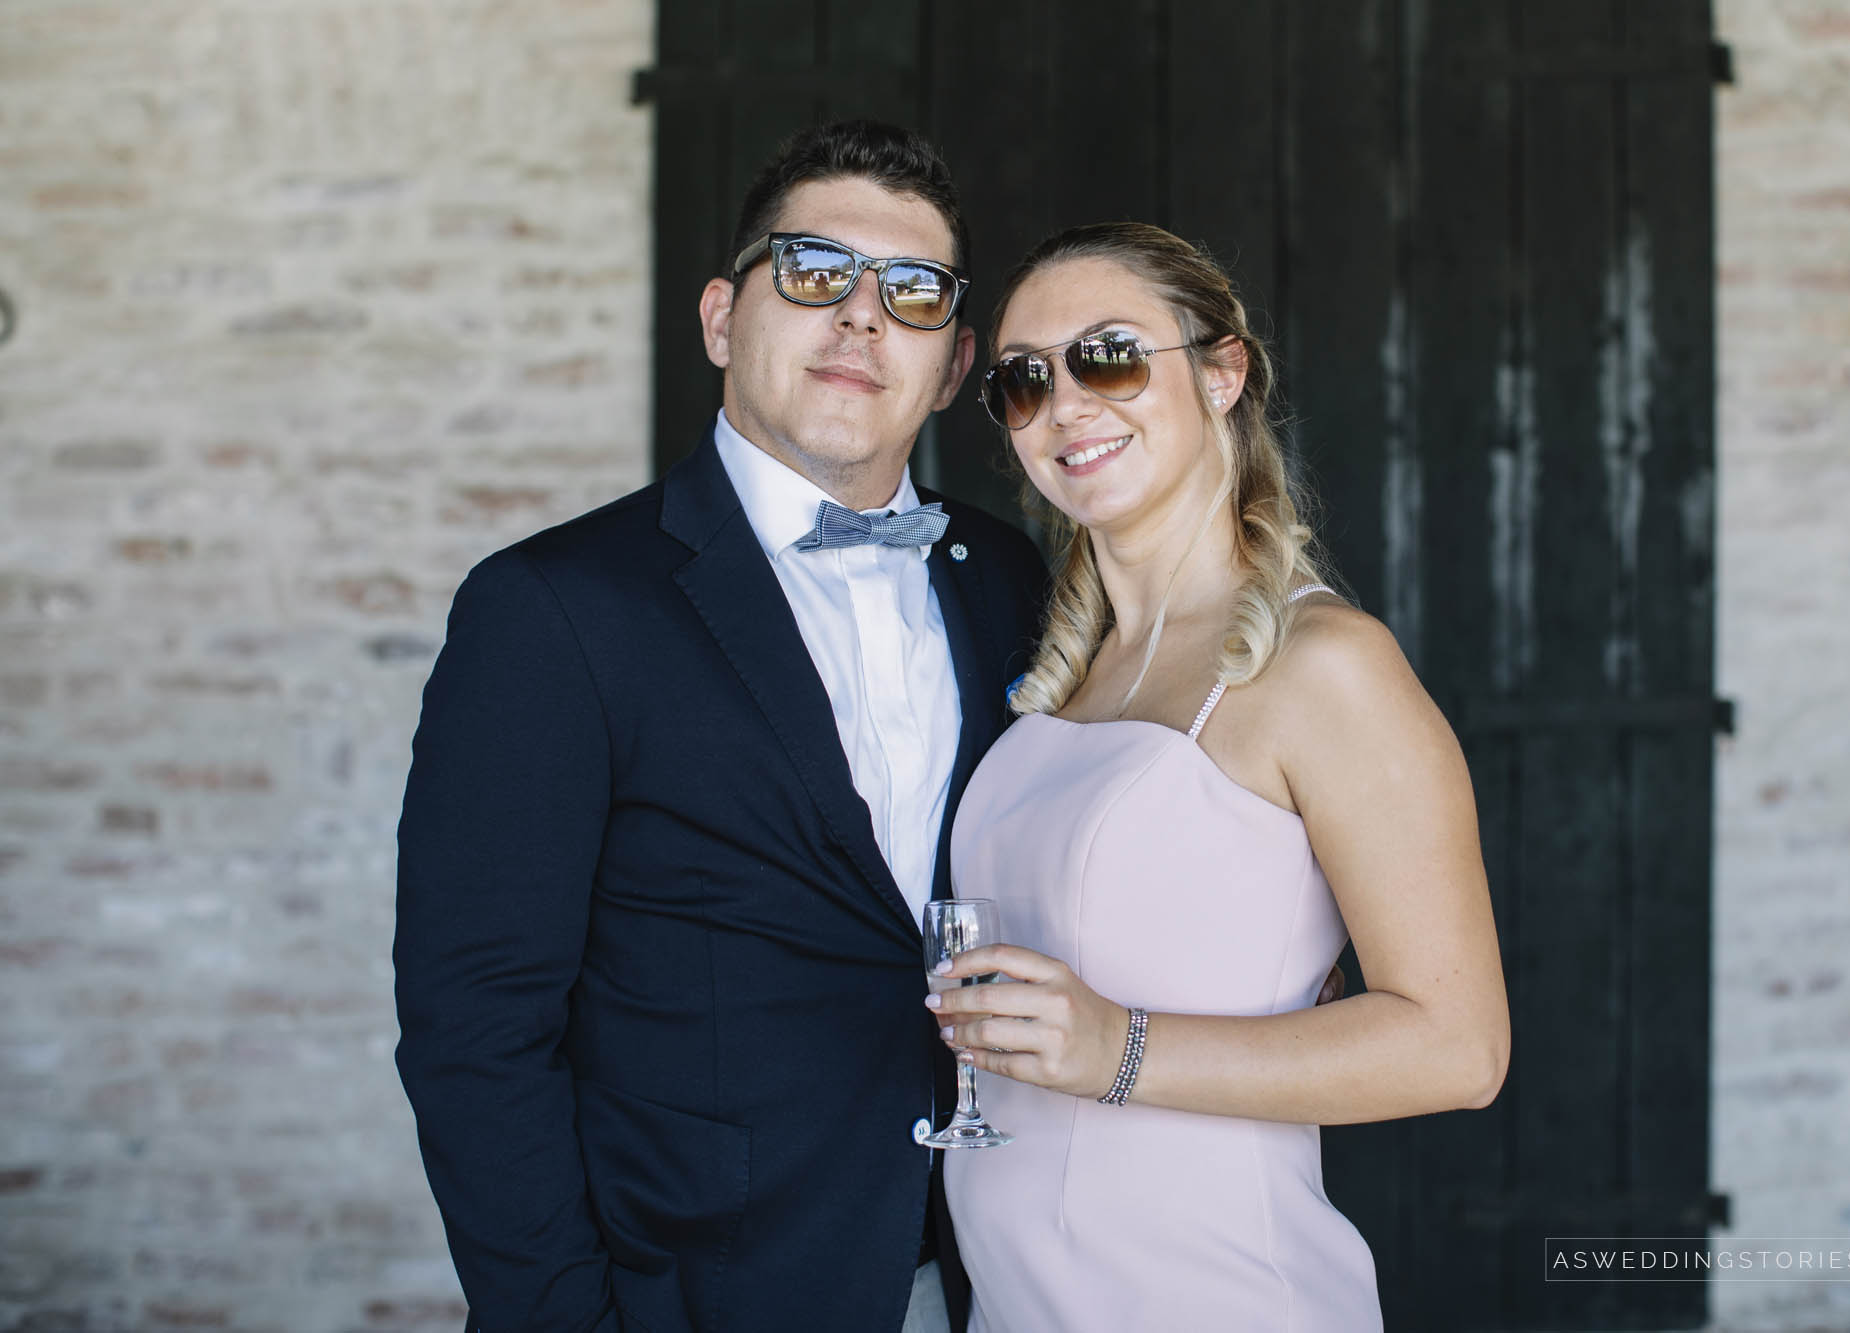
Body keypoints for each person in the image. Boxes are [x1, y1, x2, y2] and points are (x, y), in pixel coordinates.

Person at [393, 121, 1047, 1333]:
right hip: (695, 1291)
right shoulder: (552, 608)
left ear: (953, 365)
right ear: (717, 320)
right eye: (810, 270)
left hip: (992, 1270)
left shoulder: (1009, 578)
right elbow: (475, 1026)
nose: (859, 316)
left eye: (910, 293)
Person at [927, 222, 1512, 1332]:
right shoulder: (1058, 677)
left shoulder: (1325, 667)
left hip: (1213, 1295)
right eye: (1022, 380)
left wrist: (1117, 1046)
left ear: (1221, 371)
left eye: (1108, 356)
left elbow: (1458, 1045)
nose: (1063, 405)